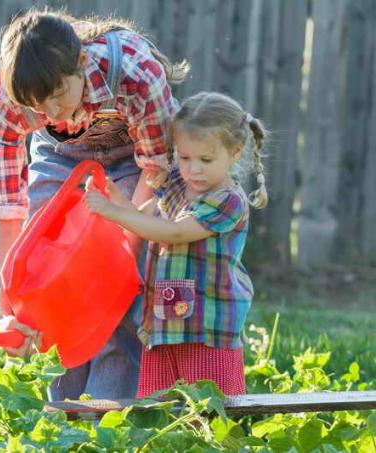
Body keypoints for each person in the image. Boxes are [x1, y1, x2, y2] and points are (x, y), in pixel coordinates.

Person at [0, 8, 188, 400]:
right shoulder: (4, 106)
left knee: (121, 295)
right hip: (60, 155)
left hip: (135, 160)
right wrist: (7, 309)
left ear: (81, 63)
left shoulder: (135, 73)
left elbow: (155, 170)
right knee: (43, 282)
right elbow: (9, 219)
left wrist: (122, 253)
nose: (52, 112)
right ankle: (60, 418)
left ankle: (108, 418)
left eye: (58, 95)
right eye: (39, 106)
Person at [83, 91, 268, 396]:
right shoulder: (177, 186)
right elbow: (144, 220)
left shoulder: (228, 201)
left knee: (211, 414)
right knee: (159, 412)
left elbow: (175, 233)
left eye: (205, 159)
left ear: (235, 152)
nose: (193, 169)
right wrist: (115, 199)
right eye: (184, 157)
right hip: (163, 325)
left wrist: (113, 212)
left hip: (206, 330)